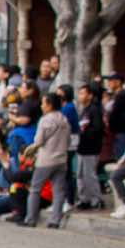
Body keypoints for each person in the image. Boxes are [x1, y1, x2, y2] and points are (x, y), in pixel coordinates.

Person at [25, 91, 71, 229]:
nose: (41, 106)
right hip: (61, 159)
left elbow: (38, 141)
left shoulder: (45, 120)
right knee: (58, 191)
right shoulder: (64, 120)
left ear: (50, 105)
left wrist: (32, 149)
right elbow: (68, 140)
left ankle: (30, 219)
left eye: (43, 103)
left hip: (46, 160)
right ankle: (55, 221)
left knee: (35, 189)